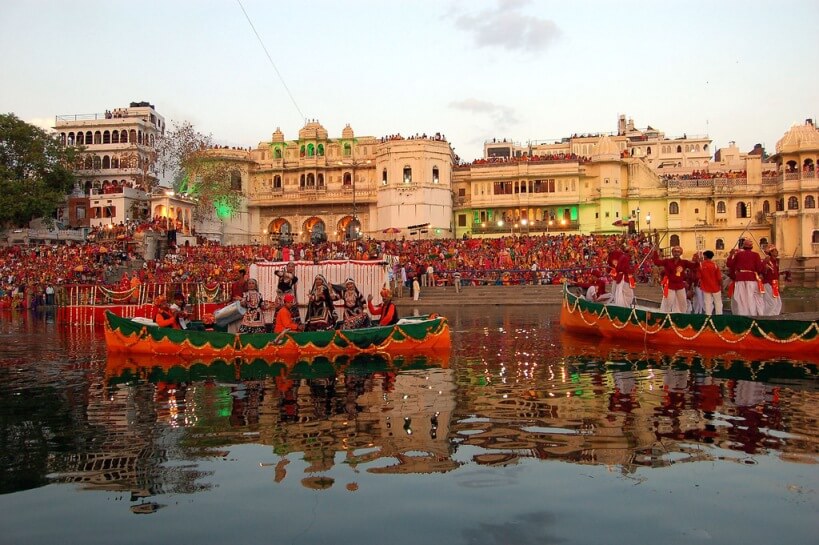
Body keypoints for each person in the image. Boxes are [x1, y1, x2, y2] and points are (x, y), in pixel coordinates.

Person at [727, 238, 764, 316]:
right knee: (751, 298)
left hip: (740, 279)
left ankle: (742, 315)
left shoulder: (738, 254)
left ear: (743, 247)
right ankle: (752, 315)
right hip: (751, 279)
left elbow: (729, 264)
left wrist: (731, 254)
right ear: (751, 247)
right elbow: (759, 268)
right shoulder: (755, 255)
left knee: (741, 299)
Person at [652, 246, 694, 313]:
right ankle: (665, 316)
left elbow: (694, 266)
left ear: (681, 253)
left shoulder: (684, 262)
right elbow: (657, 262)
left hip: (680, 285)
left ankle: (682, 316)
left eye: (678, 252)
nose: (676, 253)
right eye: (675, 251)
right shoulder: (667, 261)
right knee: (668, 302)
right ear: (672, 253)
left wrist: (698, 260)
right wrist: (655, 252)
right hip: (670, 285)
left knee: (683, 303)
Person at [606, 241, 634, 307]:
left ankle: (622, 304)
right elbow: (614, 267)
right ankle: (620, 304)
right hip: (620, 277)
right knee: (618, 291)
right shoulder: (623, 257)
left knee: (622, 292)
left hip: (621, 276)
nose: (610, 248)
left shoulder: (622, 256)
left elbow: (624, 269)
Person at [699, 250, 723, 315]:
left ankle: (708, 316)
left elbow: (699, 276)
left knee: (707, 302)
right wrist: (722, 287)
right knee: (718, 302)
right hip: (716, 287)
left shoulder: (701, 265)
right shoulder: (715, 265)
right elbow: (719, 278)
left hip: (705, 287)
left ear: (705, 256)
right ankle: (719, 315)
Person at [761, 245, 782, 316]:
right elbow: (761, 270)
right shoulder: (766, 261)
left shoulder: (775, 262)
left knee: (778, 303)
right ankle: (766, 316)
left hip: (774, 284)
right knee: (771, 303)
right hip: (768, 284)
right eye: (775, 251)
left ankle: (775, 316)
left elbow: (776, 273)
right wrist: (764, 264)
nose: (777, 252)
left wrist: (785, 273)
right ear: (771, 252)